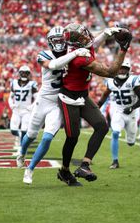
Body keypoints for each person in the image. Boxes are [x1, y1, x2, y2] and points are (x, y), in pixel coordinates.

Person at [17, 26, 93, 185]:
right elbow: (54, 65)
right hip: (43, 100)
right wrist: (74, 53)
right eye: (55, 40)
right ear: (50, 42)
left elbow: (90, 45)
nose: (59, 43)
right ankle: (21, 153)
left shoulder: (71, 52)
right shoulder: (44, 54)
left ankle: (30, 169)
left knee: (47, 138)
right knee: (30, 135)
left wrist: (105, 34)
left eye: (61, 40)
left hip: (58, 101)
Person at [57, 23, 131, 185]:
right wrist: (123, 48)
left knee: (102, 126)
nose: (87, 36)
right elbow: (111, 73)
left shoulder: (80, 47)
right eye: (83, 36)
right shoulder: (79, 58)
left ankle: (84, 165)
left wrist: (107, 32)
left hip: (82, 95)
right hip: (68, 97)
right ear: (76, 43)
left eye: (86, 33)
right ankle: (64, 171)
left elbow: (93, 41)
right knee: (73, 136)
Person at [98, 59, 140, 169]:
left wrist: (132, 107)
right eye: (120, 68)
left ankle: (131, 140)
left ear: (129, 70)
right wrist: (97, 107)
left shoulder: (133, 81)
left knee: (131, 143)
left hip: (132, 113)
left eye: (124, 69)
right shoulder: (110, 82)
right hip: (119, 112)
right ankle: (115, 161)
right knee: (115, 133)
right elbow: (105, 95)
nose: (122, 71)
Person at [8, 65, 38, 146]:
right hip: (16, 110)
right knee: (13, 130)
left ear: (28, 74)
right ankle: (24, 138)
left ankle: (23, 147)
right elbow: (10, 96)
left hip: (26, 110)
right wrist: (11, 104)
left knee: (24, 129)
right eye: (23, 73)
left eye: (26, 73)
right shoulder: (14, 83)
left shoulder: (32, 84)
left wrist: (31, 107)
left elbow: (37, 98)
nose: (24, 75)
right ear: (19, 73)